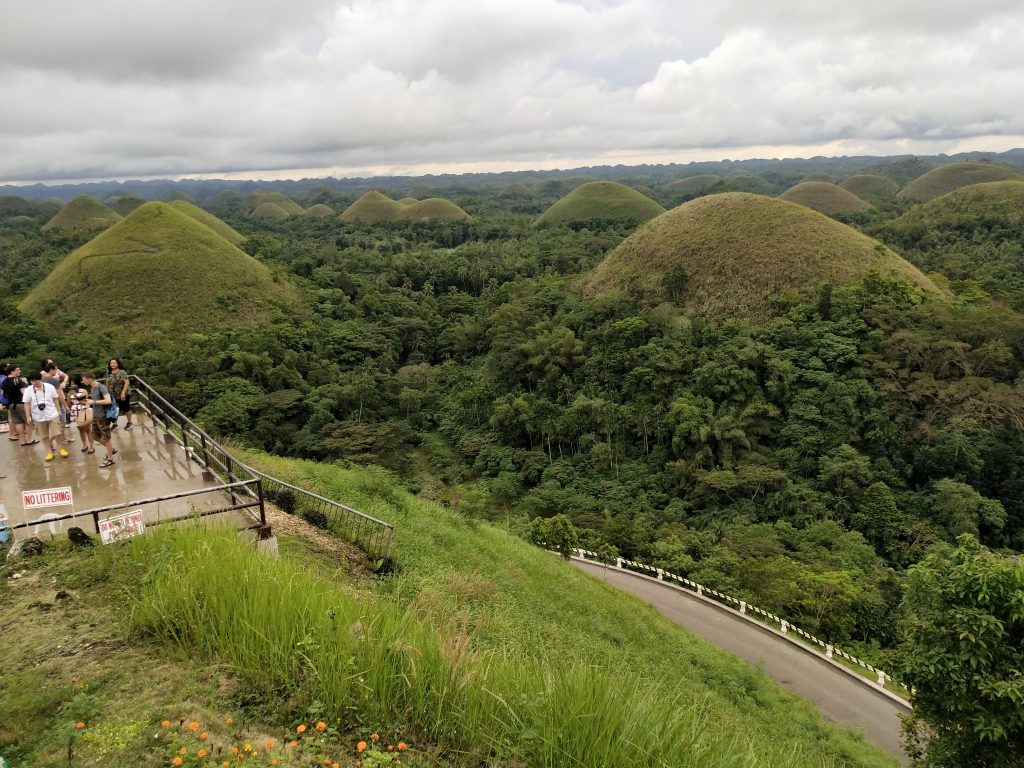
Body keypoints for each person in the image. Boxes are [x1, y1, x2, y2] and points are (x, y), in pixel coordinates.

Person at [25, 372, 68, 460]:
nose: (33, 383)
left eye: (35, 381)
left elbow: (55, 399)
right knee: (44, 435)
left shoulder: (49, 387)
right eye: (31, 381)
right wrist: (28, 416)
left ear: (40, 379)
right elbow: (26, 403)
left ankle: (61, 449)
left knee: (57, 433)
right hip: (38, 416)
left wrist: (58, 410)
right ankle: (49, 452)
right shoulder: (28, 390)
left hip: (51, 413)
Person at [82, 371, 116, 467]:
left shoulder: (101, 387)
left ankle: (110, 459)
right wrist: (89, 400)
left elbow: (108, 400)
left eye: (84, 380)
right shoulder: (92, 388)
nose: (83, 382)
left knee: (106, 438)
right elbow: (95, 400)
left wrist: (94, 402)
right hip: (96, 415)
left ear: (90, 379)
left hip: (103, 416)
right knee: (94, 436)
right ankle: (111, 450)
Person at [1, 365, 33, 445]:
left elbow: (2, 394)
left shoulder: (4, 382)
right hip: (21, 404)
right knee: (28, 421)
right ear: (12, 371)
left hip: (10, 405)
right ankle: (29, 439)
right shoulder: (18, 380)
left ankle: (22, 441)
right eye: (17, 370)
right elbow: (24, 393)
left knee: (18, 423)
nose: (19, 371)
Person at [43, 362, 73, 445]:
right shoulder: (53, 380)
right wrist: (66, 405)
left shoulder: (42, 379)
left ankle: (60, 440)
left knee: (55, 424)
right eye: (55, 369)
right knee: (62, 422)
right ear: (51, 369)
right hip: (57, 404)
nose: (56, 371)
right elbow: (59, 395)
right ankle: (49, 442)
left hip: (48, 404)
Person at [68, 381, 95, 454]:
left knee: (88, 429)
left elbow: (85, 401)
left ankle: (91, 446)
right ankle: (84, 445)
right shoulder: (70, 392)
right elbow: (69, 403)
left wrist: (76, 397)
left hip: (83, 410)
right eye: (71, 384)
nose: (72, 385)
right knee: (80, 429)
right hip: (75, 411)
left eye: (74, 383)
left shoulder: (83, 391)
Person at [106, 358, 132, 430]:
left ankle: (129, 422)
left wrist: (123, 393)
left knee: (126, 408)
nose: (112, 364)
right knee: (114, 409)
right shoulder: (109, 372)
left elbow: (127, 382)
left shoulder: (122, 372)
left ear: (118, 364)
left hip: (123, 393)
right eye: (111, 363)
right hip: (113, 394)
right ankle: (115, 424)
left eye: (114, 363)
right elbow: (107, 383)